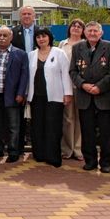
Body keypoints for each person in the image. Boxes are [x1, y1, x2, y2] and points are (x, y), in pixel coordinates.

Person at [70, 21, 110, 173]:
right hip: (84, 96)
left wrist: (99, 87)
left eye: (95, 31)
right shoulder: (77, 48)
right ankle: (90, 161)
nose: (92, 33)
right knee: (87, 132)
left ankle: (106, 163)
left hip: (104, 96)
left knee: (106, 133)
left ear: (101, 33)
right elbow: (73, 71)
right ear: (85, 33)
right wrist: (83, 84)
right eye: (89, 31)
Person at [27, 27, 72, 168]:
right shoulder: (31, 55)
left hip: (55, 97)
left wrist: (68, 93)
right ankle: (39, 154)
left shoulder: (59, 53)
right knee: (37, 126)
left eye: (44, 36)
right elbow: (28, 77)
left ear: (49, 38)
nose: (41, 39)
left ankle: (53, 156)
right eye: (38, 37)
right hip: (36, 97)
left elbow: (66, 74)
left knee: (53, 127)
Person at [0, 26, 29, 163]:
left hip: (12, 95)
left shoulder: (20, 54)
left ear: (11, 37)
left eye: (5, 35)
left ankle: (13, 151)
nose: (2, 38)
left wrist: (21, 93)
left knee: (13, 126)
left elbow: (24, 75)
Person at [58, 19, 85, 161]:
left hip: (81, 86)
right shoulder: (63, 44)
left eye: (79, 26)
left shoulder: (86, 44)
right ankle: (67, 149)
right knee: (68, 118)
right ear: (69, 28)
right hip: (66, 86)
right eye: (73, 26)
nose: (76, 28)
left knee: (80, 118)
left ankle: (78, 149)